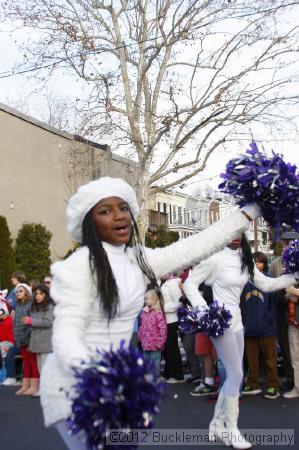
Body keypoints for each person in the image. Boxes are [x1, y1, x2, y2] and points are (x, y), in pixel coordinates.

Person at [39, 176, 259, 449]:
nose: (119, 216)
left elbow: (196, 245)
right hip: (77, 384)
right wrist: (97, 373)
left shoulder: (138, 259)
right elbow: (66, 335)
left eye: (123, 208)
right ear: (89, 223)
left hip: (119, 382)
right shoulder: (77, 267)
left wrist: (250, 212)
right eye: (105, 211)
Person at [183, 234, 297, 449]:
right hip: (220, 323)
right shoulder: (215, 258)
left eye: (239, 231)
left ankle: (216, 424)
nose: (234, 236)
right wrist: (204, 312)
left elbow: (268, 284)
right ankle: (231, 428)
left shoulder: (245, 259)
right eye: (231, 230)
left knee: (233, 377)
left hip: (237, 322)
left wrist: (294, 276)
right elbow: (189, 284)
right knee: (236, 374)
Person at [242, 252, 280, 399]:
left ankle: (273, 386)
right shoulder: (244, 281)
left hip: (267, 328)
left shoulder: (269, 280)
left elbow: (275, 304)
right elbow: (240, 304)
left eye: (259, 262)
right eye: (254, 262)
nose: (257, 265)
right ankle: (253, 384)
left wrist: (268, 319)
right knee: (252, 360)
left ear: (264, 264)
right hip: (249, 327)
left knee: (270, 359)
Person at [269, 230, 299, 391]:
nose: (289, 246)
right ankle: (290, 378)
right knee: (287, 348)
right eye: (286, 243)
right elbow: (273, 290)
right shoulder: (276, 264)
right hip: (283, 311)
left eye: (293, 242)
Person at [22, 284, 54, 397]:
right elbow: (36, 322)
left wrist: (31, 321)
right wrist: (28, 322)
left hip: (45, 342)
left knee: (45, 368)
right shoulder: (35, 307)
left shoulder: (50, 306)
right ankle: (44, 389)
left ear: (46, 295)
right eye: (37, 294)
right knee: (41, 368)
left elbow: (48, 322)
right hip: (37, 341)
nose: (38, 296)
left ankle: (46, 390)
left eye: (41, 294)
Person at [13, 283, 39, 396]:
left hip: (29, 338)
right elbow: (15, 323)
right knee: (26, 362)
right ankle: (25, 385)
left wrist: (27, 333)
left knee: (33, 361)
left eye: (21, 291)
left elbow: (31, 321)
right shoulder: (18, 306)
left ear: (27, 292)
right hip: (20, 338)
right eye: (17, 291)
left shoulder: (30, 305)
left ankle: (34, 386)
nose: (18, 293)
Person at [161, 274, 185, 383]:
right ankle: (168, 373)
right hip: (165, 321)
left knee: (172, 348)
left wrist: (162, 309)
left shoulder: (173, 284)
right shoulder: (165, 283)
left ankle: (177, 375)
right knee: (167, 349)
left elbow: (180, 303)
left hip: (173, 320)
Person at [138, 289, 167, 377]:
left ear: (154, 299)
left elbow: (163, 328)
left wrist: (160, 342)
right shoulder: (144, 312)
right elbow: (141, 326)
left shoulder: (158, 313)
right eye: (145, 299)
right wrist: (140, 337)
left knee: (155, 364)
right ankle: (148, 382)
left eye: (147, 299)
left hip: (155, 345)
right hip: (145, 344)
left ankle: (154, 382)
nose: (145, 301)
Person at [282, 284, 299, 399]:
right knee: (295, 359)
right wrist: (287, 296)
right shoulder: (287, 276)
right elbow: (277, 300)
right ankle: (297, 388)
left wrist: (297, 293)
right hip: (292, 324)